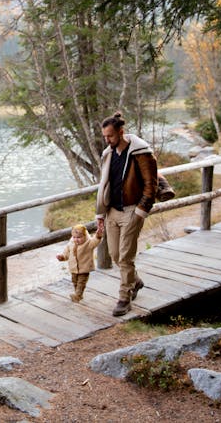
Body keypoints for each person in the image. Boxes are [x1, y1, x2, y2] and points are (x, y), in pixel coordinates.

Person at [95, 112, 158, 316]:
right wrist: (100, 213)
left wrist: (140, 212)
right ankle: (135, 281)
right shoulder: (108, 154)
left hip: (132, 211)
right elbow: (104, 185)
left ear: (121, 133)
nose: (107, 140)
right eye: (105, 136)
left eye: (110, 136)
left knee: (125, 256)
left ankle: (124, 297)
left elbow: (151, 184)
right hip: (112, 211)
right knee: (115, 255)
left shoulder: (141, 153)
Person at [56, 224, 102, 302]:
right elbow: (66, 254)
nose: (76, 239)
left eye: (79, 237)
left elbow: (95, 242)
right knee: (75, 282)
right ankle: (78, 294)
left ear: (85, 236)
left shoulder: (88, 243)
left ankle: (78, 295)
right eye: (74, 237)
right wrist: (62, 257)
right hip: (74, 268)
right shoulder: (71, 244)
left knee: (81, 283)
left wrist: (98, 236)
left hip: (84, 268)